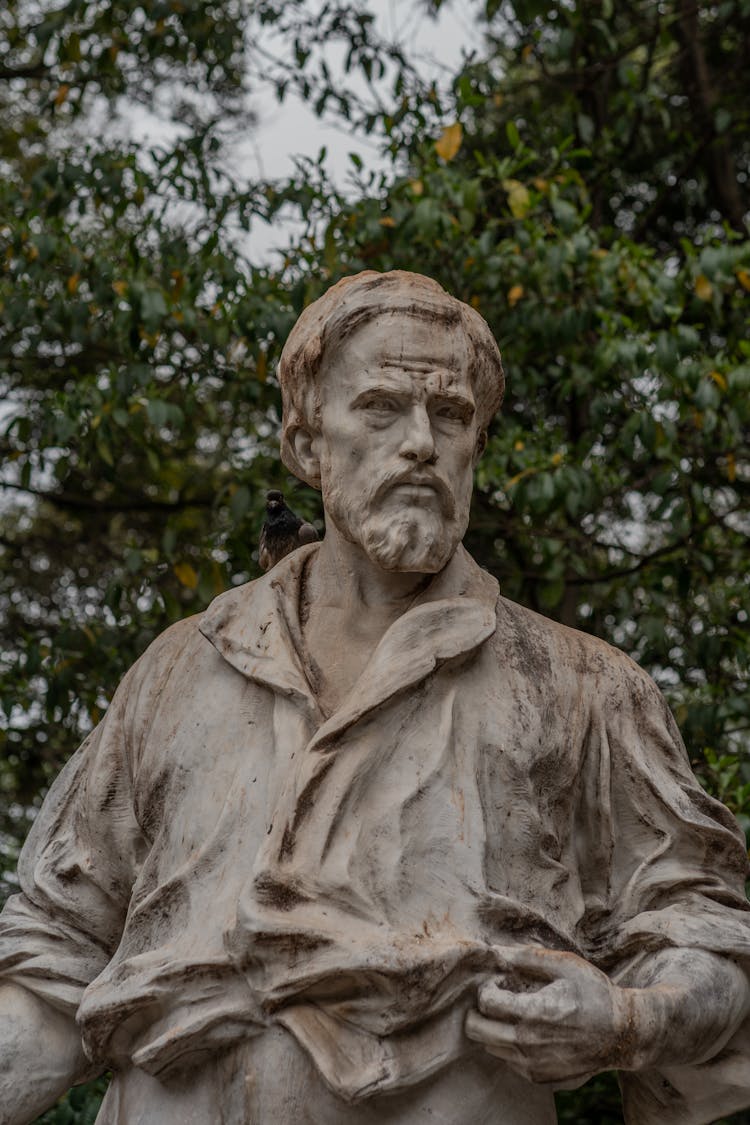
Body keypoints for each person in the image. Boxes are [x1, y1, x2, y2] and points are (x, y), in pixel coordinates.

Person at [1, 270, 749, 1125]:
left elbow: (708, 941)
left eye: (453, 415)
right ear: (304, 441)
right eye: (382, 407)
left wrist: (625, 1020)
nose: (422, 443)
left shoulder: (584, 686)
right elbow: (52, 958)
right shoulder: (177, 673)